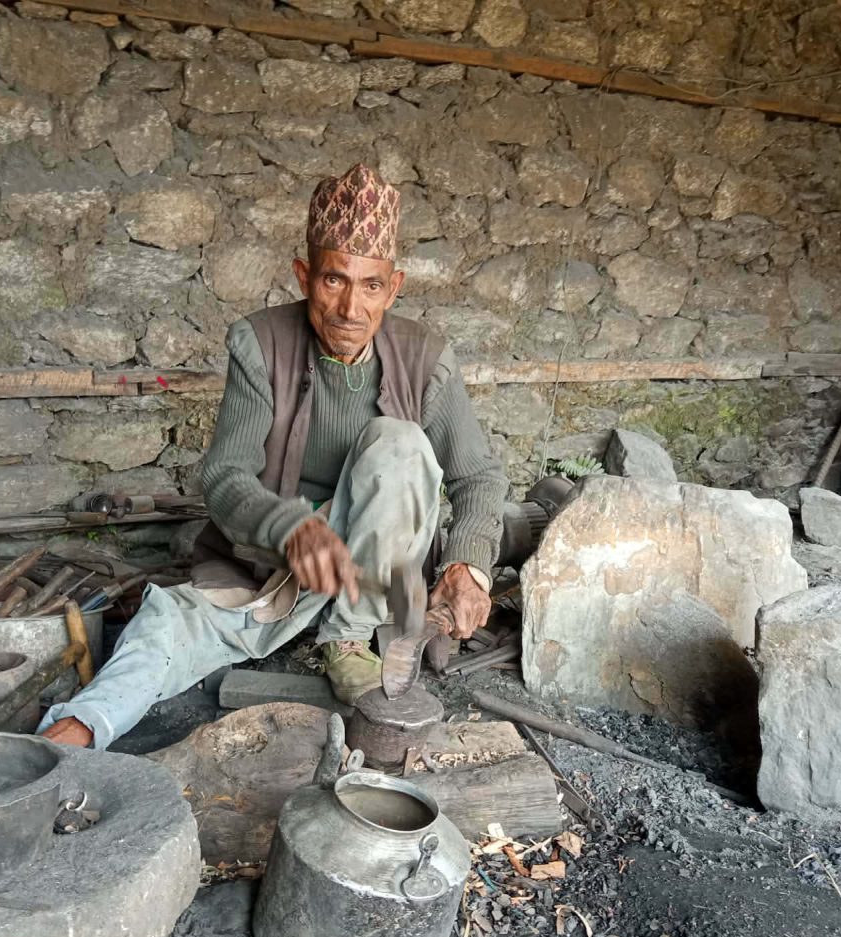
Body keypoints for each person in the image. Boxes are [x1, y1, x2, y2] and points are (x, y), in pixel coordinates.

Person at [41, 164, 509, 749]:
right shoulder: (260, 343)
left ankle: (347, 637)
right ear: (304, 275)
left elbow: (479, 478)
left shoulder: (426, 357)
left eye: (370, 287)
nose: (351, 308)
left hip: (379, 583)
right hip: (277, 571)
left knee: (400, 442)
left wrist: (467, 567)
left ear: (393, 289)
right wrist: (292, 528)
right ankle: (74, 734)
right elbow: (224, 475)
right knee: (165, 624)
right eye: (334, 280)